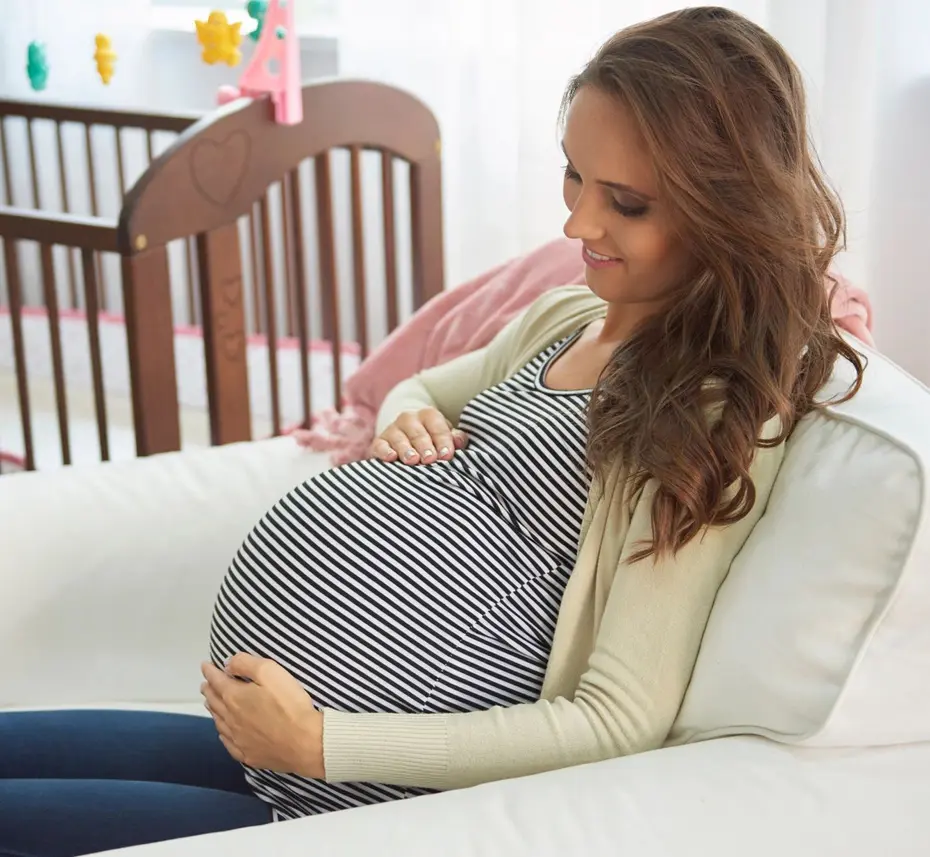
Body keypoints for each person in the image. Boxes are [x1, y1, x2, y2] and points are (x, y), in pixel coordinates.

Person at [0, 6, 866, 855]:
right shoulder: (568, 315)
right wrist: (404, 415)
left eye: (626, 203)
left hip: (350, 791)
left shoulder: (709, 412)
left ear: (726, 208)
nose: (576, 225)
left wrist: (323, 744)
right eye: (574, 177)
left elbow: (617, 716)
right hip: (272, 750)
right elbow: (420, 386)